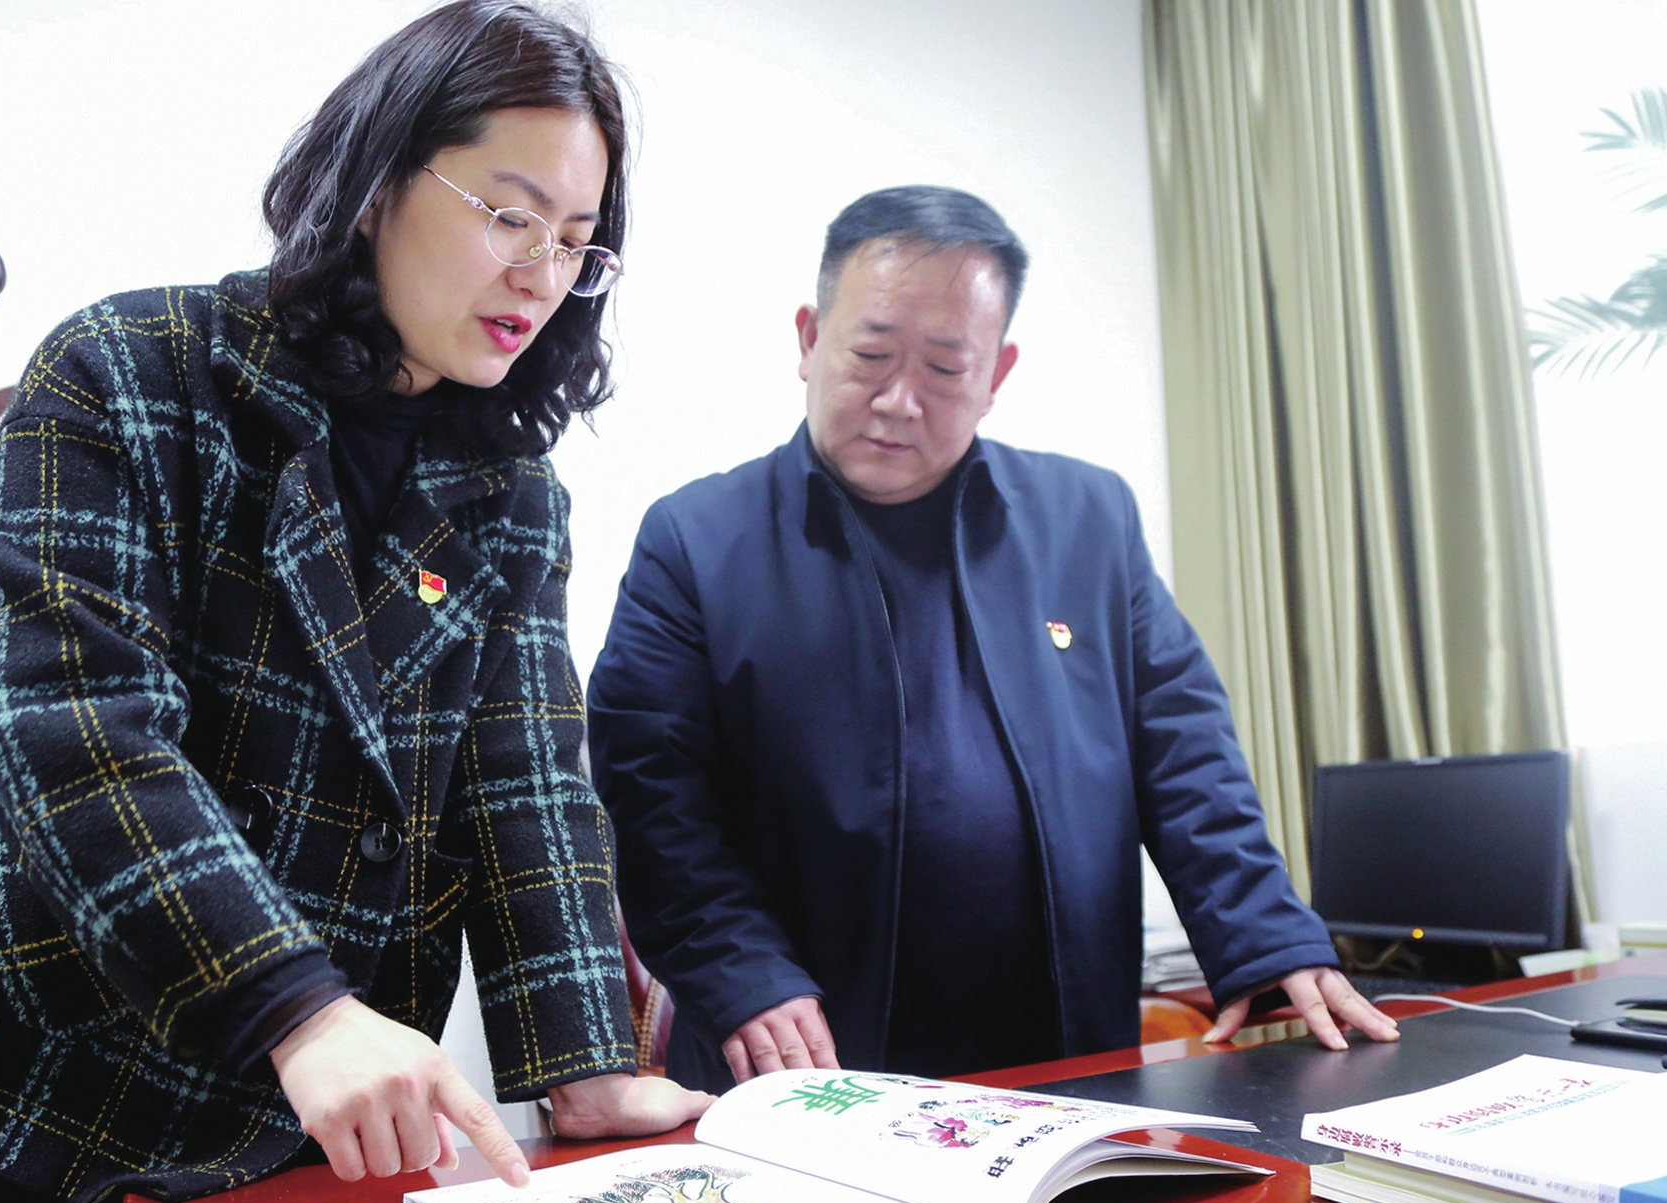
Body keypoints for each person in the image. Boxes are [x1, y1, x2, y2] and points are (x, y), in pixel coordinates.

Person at [0, 5, 710, 1203]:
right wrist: (298, 1007)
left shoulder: (510, 490)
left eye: (577, 241)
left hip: (291, 1110)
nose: (541, 273)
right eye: (510, 216)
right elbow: (68, 727)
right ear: (376, 182)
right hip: (40, 1071)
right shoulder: (127, 371)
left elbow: (527, 783)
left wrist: (585, 1062)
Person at [586, 185, 1398, 1097]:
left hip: (1058, 1050)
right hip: (808, 1055)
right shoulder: (698, 541)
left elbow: (1184, 753)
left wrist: (1266, 937)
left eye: (944, 367)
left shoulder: (1086, 521)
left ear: (996, 373)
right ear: (809, 339)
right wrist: (746, 977)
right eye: (869, 355)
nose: (898, 400)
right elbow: (652, 803)